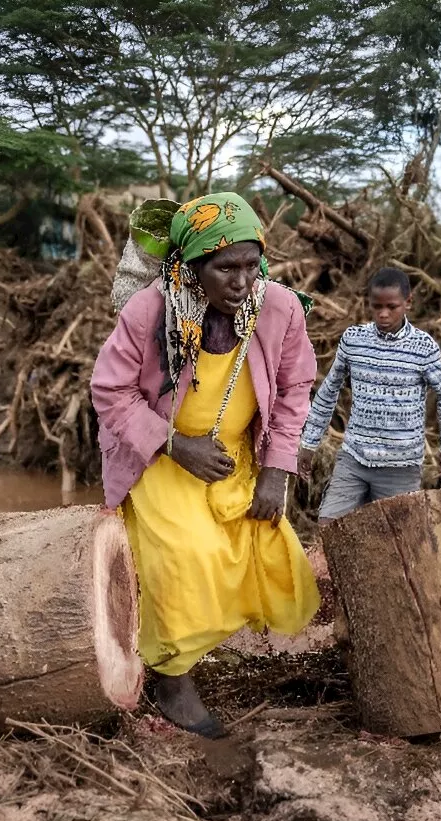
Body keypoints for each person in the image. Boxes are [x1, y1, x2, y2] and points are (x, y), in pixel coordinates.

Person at [91, 192, 319, 738]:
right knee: (184, 557)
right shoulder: (151, 310)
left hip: (231, 454)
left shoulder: (279, 308)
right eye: (225, 268)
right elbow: (111, 391)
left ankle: (186, 648)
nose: (240, 281)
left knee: (262, 548)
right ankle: (172, 676)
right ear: (192, 268)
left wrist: (275, 469)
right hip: (160, 456)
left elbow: (294, 390)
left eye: (250, 264)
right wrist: (175, 446)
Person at [297, 268, 441, 522]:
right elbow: (329, 392)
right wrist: (309, 443)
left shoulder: (424, 348)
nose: (383, 314)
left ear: (408, 303)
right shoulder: (354, 340)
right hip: (354, 458)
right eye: (377, 307)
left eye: (391, 307)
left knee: (399, 542)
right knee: (330, 525)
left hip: (401, 468)